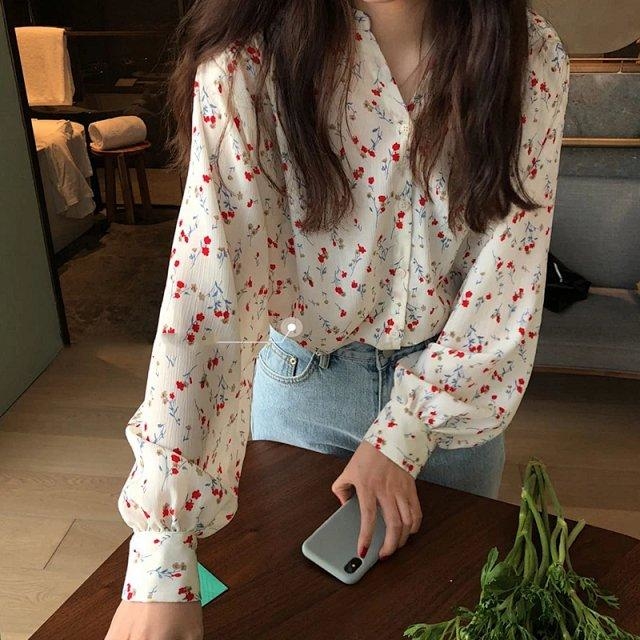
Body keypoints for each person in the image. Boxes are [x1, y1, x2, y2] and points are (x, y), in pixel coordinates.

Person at [105, 0, 570, 637]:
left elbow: (507, 281)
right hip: (303, 391)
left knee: (450, 612)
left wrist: (403, 434)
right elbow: (209, 299)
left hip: (451, 404)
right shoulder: (249, 61)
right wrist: (161, 557)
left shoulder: (529, 56)